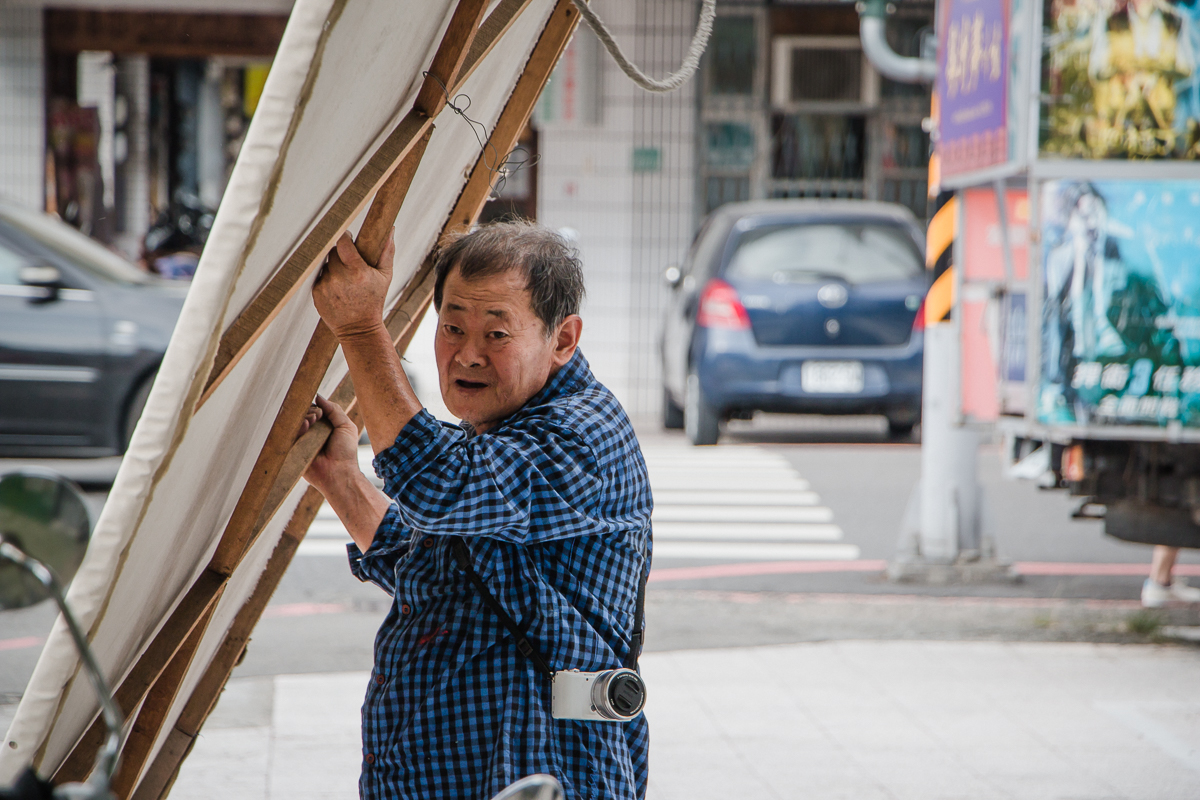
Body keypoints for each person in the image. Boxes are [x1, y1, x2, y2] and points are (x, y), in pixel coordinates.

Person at [299, 221, 652, 799]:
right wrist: (340, 479)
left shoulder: (583, 436)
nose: (467, 354)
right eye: (453, 327)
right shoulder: (497, 435)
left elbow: (438, 484)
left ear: (562, 340)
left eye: (497, 334)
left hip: (545, 771)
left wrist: (361, 327)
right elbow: (440, 569)